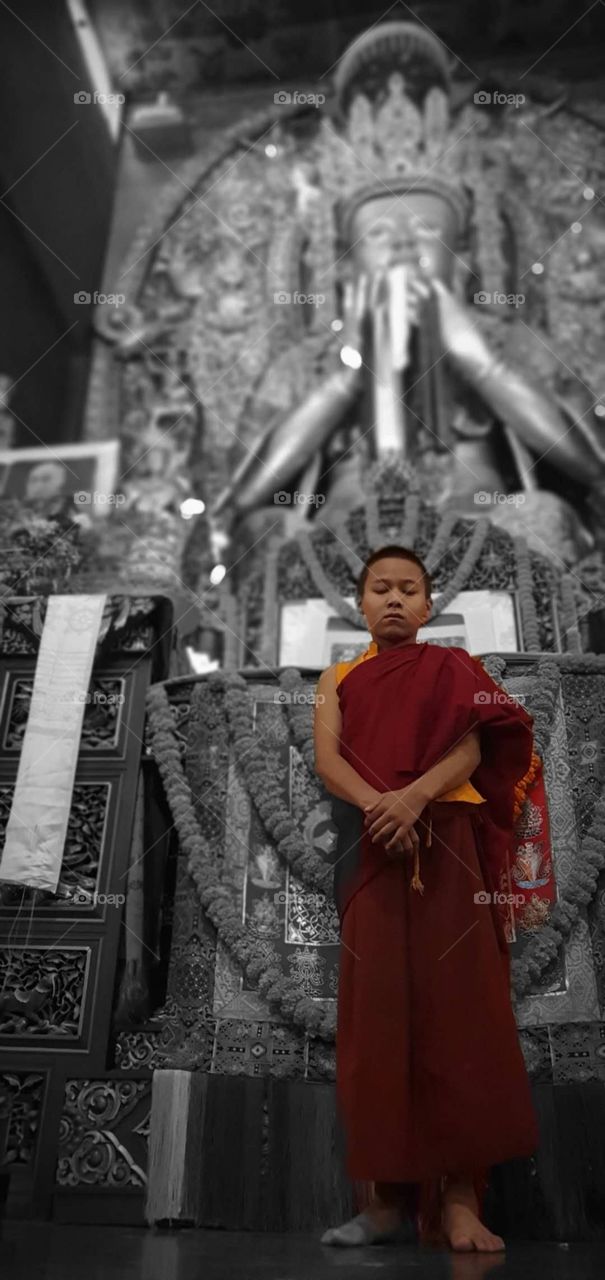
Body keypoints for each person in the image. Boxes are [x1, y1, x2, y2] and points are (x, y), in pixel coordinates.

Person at [313, 543, 540, 1252]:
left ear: (428, 603)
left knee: (461, 1015)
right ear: (358, 603)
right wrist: (382, 806)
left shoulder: (454, 668)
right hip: (372, 852)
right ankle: (382, 1204)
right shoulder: (337, 677)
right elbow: (328, 760)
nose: (392, 600)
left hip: (447, 847)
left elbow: (474, 749)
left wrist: (412, 798)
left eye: (407, 589)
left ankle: (462, 1202)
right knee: (377, 1025)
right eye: (378, 588)